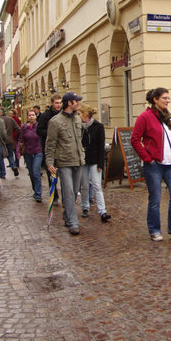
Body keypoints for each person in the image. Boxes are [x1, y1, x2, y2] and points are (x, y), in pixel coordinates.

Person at [131, 87, 171, 241]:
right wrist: (147, 157)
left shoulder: (168, 117)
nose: (167, 101)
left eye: (168, 98)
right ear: (155, 99)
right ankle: (155, 230)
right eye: (164, 98)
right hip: (154, 164)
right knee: (155, 198)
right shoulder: (145, 117)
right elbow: (135, 139)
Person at [45, 92, 86, 236]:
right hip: (63, 162)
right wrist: (49, 162)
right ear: (70, 103)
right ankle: (73, 223)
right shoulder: (55, 122)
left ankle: (67, 215)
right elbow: (50, 144)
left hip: (78, 160)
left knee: (75, 192)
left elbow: (80, 140)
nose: (79, 103)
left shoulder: (77, 119)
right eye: (77, 101)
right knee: (68, 192)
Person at [77, 103, 111, 222]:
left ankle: (103, 211)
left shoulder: (98, 126)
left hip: (95, 160)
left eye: (79, 113)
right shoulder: (78, 126)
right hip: (83, 161)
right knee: (84, 185)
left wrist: (101, 164)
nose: (78, 116)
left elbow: (101, 146)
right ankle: (85, 207)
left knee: (97, 185)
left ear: (85, 115)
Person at [37, 94, 62, 201]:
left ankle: (65, 195)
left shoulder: (64, 114)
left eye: (60, 103)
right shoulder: (45, 116)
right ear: (52, 103)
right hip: (50, 148)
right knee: (52, 173)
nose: (58, 105)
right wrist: (52, 133)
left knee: (64, 173)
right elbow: (39, 130)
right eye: (56, 103)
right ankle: (54, 194)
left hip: (62, 148)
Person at [18, 109, 44, 202]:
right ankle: (35, 190)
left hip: (38, 152)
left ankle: (38, 194)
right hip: (27, 153)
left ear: (35, 116)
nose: (31, 117)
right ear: (27, 117)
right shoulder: (24, 127)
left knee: (36, 172)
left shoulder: (39, 126)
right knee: (32, 174)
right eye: (29, 115)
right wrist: (18, 151)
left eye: (33, 115)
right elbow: (20, 139)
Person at [0, 107, 19, 177]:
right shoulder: (10, 119)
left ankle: (3, 173)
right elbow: (17, 128)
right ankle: (13, 166)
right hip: (10, 140)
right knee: (10, 155)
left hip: (0, 141)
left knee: (1, 157)